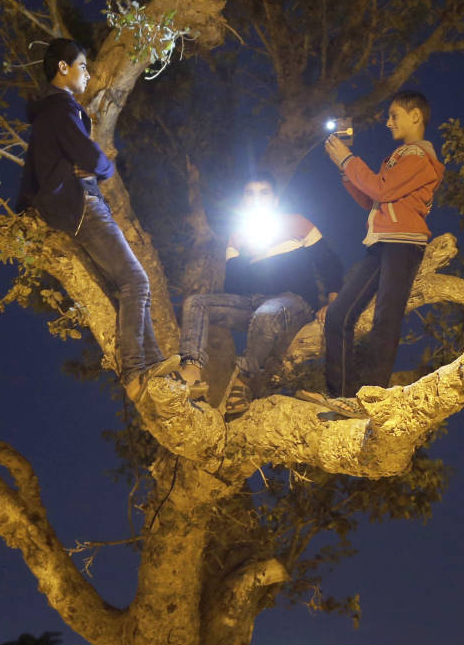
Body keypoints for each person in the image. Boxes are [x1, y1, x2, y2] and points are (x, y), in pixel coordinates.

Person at [14, 39, 178, 400]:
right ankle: (135, 370)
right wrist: (104, 165)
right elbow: (86, 152)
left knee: (130, 284)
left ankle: (155, 370)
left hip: (68, 205)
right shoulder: (61, 108)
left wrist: (24, 209)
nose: (87, 73)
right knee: (137, 282)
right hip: (82, 201)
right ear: (63, 68)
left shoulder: (45, 114)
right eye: (83, 66)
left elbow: (31, 172)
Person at [309, 90, 445, 411]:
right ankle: (341, 397)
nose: (388, 122)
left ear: (416, 116)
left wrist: (347, 159)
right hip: (380, 243)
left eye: (394, 115)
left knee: (385, 319)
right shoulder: (398, 156)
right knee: (339, 315)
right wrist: (346, 170)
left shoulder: (419, 156)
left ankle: (370, 399)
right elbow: (372, 198)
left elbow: (381, 188)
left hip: (404, 243)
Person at [178, 173, 343, 415]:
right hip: (253, 303)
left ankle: (244, 381)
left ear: (275, 200)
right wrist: (250, 252)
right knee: (195, 303)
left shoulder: (297, 223)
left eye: (263, 193)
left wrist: (333, 302)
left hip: (294, 302)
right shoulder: (238, 236)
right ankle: (191, 371)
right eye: (250, 194)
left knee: (267, 314)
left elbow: (330, 263)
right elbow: (235, 287)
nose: (257, 199)